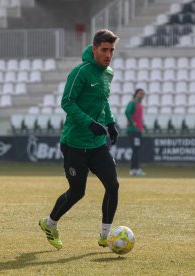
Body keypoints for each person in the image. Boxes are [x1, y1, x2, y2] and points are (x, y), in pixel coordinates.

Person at [39, 29, 120, 250]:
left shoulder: (108, 73)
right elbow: (67, 102)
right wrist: (89, 123)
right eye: (104, 49)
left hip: (97, 144)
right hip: (74, 142)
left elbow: (104, 101)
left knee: (113, 185)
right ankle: (49, 223)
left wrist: (110, 122)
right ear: (94, 49)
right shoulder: (80, 72)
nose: (108, 54)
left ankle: (105, 235)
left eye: (112, 50)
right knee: (77, 192)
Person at [125, 88, 146, 176]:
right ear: (136, 94)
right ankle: (135, 169)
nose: (142, 95)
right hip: (133, 131)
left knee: (136, 149)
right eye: (140, 93)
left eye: (143, 94)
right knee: (135, 149)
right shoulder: (132, 103)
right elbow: (127, 112)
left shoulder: (139, 104)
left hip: (138, 130)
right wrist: (133, 122)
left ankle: (134, 169)